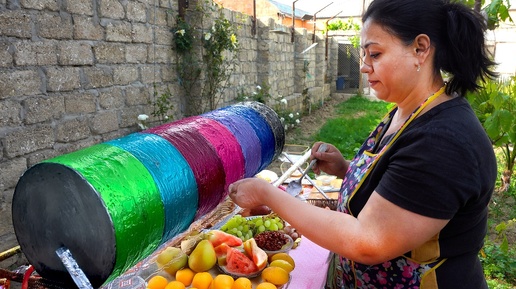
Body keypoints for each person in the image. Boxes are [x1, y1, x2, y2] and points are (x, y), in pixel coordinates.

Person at [228, 0, 498, 288]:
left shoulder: (443, 141)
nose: (364, 67)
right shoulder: (406, 111)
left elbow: (369, 240)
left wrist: (267, 194)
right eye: (364, 55)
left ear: (420, 48)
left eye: (376, 54)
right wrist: (346, 169)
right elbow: (402, 186)